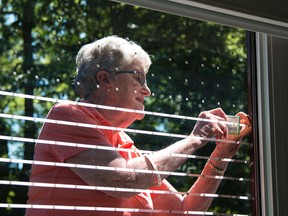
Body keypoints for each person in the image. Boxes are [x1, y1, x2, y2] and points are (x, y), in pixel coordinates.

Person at [26, 35, 252, 216]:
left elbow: (184, 210)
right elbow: (121, 180)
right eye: (138, 78)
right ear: (104, 79)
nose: (147, 90)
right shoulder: (67, 116)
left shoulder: (124, 146)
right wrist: (195, 139)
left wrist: (220, 155)